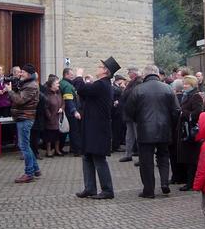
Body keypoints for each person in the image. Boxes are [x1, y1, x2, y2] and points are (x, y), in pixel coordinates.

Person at [126, 64, 181, 198]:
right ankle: (164, 184)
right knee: (163, 157)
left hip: (144, 130)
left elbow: (129, 111)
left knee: (146, 161)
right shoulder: (168, 89)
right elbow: (176, 110)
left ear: (145, 75)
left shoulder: (138, 89)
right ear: (157, 74)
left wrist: (138, 120)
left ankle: (149, 190)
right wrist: (170, 125)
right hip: (164, 128)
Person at [74, 57, 121, 200]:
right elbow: (84, 93)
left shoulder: (102, 84)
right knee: (87, 157)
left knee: (99, 158)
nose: (97, 68)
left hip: (98, 128)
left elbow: (81, 88)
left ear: (105, 71)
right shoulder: (100, 84)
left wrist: (78, 75)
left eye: (100, 67)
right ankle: (90, 188)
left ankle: (107, 190)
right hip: (91, 127)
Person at [5, 64, 40, 183]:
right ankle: (36, 169)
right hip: (22, 117)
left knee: (24, 146)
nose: (20, 74)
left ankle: (28, 173)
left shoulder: (31, 85)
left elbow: (20, 100)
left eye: (23, 72)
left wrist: (10, 91)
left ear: (29, 74)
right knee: (26, 145)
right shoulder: (27, 83)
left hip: (25, 118)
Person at [176, 75, 203, 191]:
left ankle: (191, 183)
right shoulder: (188, 95)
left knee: (192, 159)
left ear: (192, 84)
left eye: (186, 83)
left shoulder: (195, 96)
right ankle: (190, 181)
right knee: (189, 159)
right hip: (185, 130)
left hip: (191, 131)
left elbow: (197, 112)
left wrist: (183, 112)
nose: (184, 85)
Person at [119, 66, 143, 163]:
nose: (128, 74)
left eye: (129, 72)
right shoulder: (133, 82)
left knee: (138, 136)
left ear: (134, 73)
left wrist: (124, 89)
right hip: (129, 113)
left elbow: (132, 94)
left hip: (135, 113)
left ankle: (142, 158)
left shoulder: (139, 82)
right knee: (129, 135)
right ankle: (128, 154)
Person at [60, 68, 82, 156]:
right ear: (66, 75)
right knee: (74, 132)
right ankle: (77, 151)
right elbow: (69, 100)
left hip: (68, 112)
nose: (73, 76)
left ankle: (72, 148)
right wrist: (74, 112)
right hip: (71, 113)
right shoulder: (67, 86)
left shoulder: (65, 83)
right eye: (71, 74)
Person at [43, 76, 64, 157]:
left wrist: (62, 108)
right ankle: (48, 151)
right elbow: (45, 108)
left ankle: (57, 150)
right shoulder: (47, 95)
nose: (59, 85)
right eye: (57, 83)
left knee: (57, 135)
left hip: (58, 118)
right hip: (50, 119)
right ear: (52, 85)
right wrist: (49, 117)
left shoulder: (59, 93)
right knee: (49, 136)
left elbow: (63, 102)